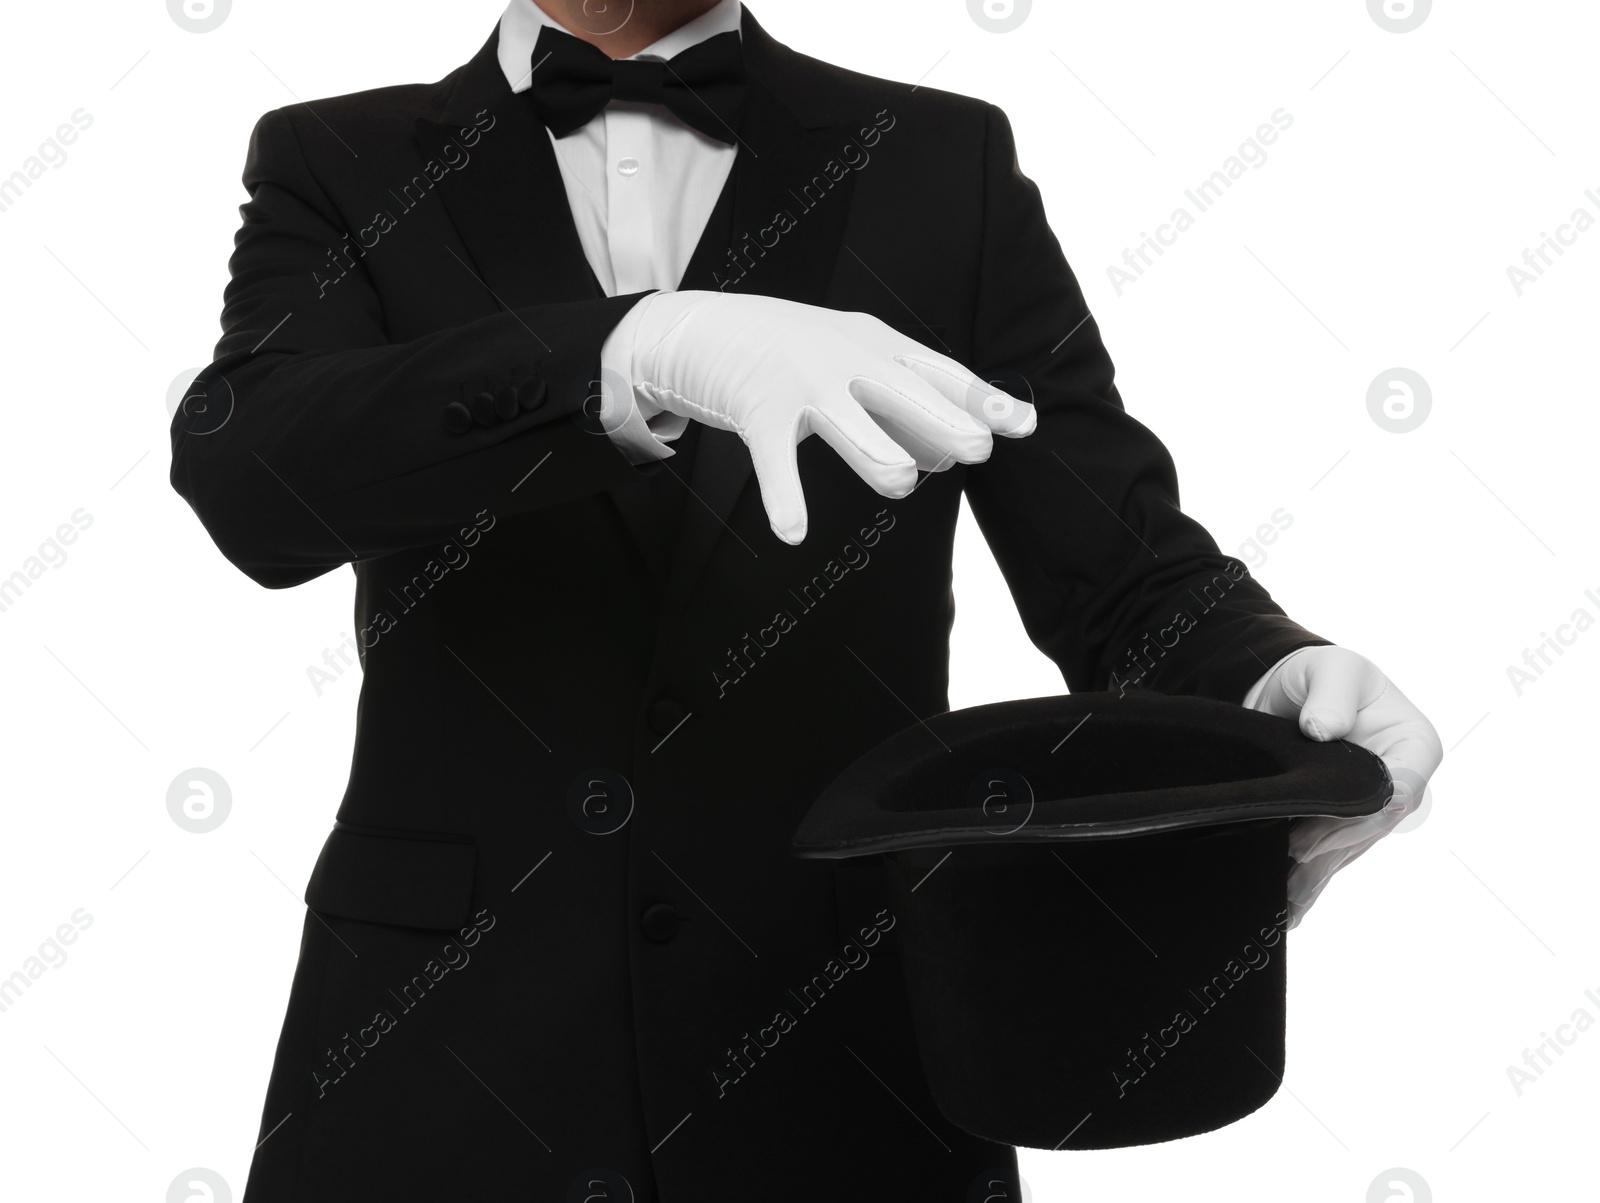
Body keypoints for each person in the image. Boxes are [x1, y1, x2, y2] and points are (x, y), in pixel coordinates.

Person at [169, 1, 1444, 1199]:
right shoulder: (337, 155)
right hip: (438, 1048)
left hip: (847, 1045)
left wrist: (1260, 674)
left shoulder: (938, 159)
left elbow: (1119, 568)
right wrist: (626, 351)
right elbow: (251, 475)